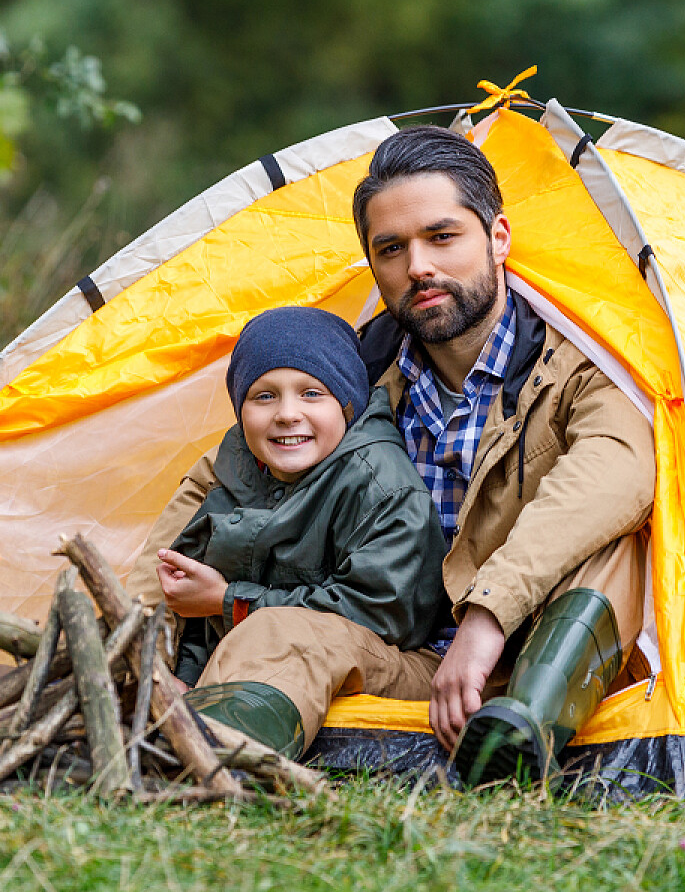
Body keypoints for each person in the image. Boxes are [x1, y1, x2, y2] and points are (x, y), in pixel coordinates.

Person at [351, 126, 655, 784]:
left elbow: (619, 466)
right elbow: (233, 477)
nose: (418, 268)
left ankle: (518, 739)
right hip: (409, 655)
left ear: (498, 238)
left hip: (547, 648)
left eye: (442, 237)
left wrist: (488, 614)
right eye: (391, 249)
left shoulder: (583, 355)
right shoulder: (353, 378)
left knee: (615, 541)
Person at [123, 306, 448, 759]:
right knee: (126, 629)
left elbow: (385, 613)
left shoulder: (380, 484)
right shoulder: (232, 462)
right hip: (233, 663)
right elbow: (156, 575)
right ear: (240, 408)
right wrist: (153, 669)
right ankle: (168, 714)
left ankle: (215, 755)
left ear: (347, 403)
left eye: (312, 393)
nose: (287, 414)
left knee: (278, 632)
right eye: (264, 397)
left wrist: (229, 600)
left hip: (387, 660)